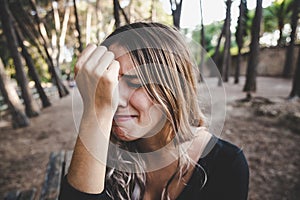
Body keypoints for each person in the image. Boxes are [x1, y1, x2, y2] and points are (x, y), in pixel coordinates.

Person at [59, 22, 249, 200]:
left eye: (135, 82)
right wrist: (95, 111)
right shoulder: (102, 154)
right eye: (107, 83)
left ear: (174, 89)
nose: (114, 99)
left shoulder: (226, 165)